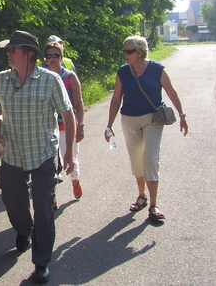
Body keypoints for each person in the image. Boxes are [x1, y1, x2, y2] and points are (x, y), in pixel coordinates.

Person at [0, 31, 75, 284]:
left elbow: (68, 115)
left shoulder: (50, 80)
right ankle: (23, 230)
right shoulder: (2, 79)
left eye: (13, 49)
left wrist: (68, 150)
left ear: (28, 54)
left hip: (43, 155)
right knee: (12, 201)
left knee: (44, 210)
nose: (8, 53)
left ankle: (41, 262)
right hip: (13, 154)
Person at [105, 36, 188, 221]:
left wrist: (182, 115)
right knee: (136, 159)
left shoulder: (156, 69)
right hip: (129, 119)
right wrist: (109, 125)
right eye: (124, 51)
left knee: (150, 158)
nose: (125, 54)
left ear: (140, 52)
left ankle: (153, 205)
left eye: (129, 51)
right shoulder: (123, 72)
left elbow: (171, 91)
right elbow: (116, 99)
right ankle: (141, 196)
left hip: (153, 119)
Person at [44, 42, 85, 201]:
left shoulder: (69, 76)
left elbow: (79, 103)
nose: (52, 59)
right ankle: (52, 196)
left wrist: (80, 125)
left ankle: (75, 181)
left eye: (56, 55)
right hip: (48, 128)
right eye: (49, 56)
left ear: (61, 57)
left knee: (71, 159)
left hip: (67, 126)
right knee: (50, 163)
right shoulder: (42, 76)